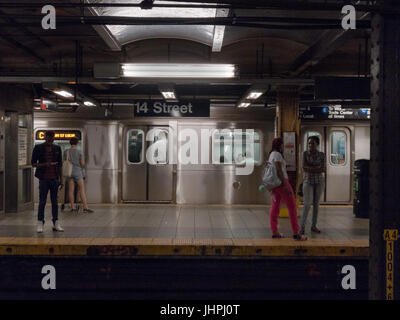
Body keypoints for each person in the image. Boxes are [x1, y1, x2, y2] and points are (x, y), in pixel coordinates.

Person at [268, 137, 307, 241]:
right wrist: (285, 185)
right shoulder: (277, 154)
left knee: (275, 208)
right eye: (282, 145)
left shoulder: (271, 154)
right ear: (280, 145)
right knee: (292, 207)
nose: (283, 147)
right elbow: (278, 170)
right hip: (282, 183)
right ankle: (296, 233)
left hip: (274, 185)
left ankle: (275, 232)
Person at [31, 131, 64, 233]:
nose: (50, 139)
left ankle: (56, 222)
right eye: (48, 137)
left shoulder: (57, 149)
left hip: (54, 179)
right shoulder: (38, 148)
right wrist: (45, 164)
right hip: (43, 178)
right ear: (45, 137)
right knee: (42, 202)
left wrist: (61, 180)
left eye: (52, 138)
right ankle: (40, 222)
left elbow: (60, 165)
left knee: (55, 202)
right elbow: (33, 163)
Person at [300, 136, 326, 235]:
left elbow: (323, 169)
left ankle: (313, 226)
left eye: (313, 143)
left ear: (317, 144)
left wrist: (311, 167)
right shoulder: (305, 154)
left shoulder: (322, 155)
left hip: (319, 182)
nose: (310, 145)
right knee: (307, 204)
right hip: (308, 181)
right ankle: (302, 227)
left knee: (316, 205)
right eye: (309, 143)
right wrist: (316, 167)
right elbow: (304, 167)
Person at [64, 137, 93, 213]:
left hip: (69, 173)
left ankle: (73, 207)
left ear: (70, 143)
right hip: (78, 172)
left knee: (71, 191)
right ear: (77, 143)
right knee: (82, 190)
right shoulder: (79, 152)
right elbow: (82, 164)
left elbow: (64, 161)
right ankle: (85, 207)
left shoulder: (66, 151)